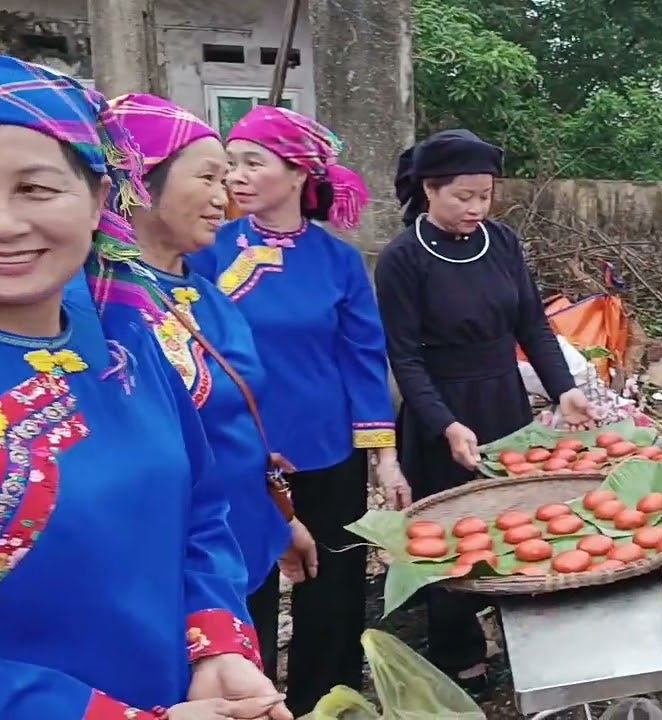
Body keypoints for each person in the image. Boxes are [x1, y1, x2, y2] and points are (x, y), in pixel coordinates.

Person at [0, 56, 288, 719]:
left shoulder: (126, 348)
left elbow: (202, 507)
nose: (7, 224)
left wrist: (215, 647)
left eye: (36, 189)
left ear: (102, 198)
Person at [186, 105, 407, 715]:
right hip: (237, 457)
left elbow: (365, 361)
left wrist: (384, 458)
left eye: (253, 162)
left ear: (298, 174)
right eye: (229, 164)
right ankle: (251, 703)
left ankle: (326, 702)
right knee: (246, 585)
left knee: (333, 589)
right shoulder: (208, 253)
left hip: (327, 450)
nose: (235, 177)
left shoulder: (339, 261)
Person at [376, 129, 593, 693]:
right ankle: (459, 653)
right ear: (430, 189)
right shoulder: (402, 259)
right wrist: (444, 423)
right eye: (463, 196)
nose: (477, 207)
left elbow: (532, 324)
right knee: (453, 538)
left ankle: (523, 632)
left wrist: (562, 387)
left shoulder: (501, 242)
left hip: (505, 402)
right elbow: (404, 357)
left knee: (518, 521)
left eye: (486, 195)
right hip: (440, 408)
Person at [109, 93, 318, 606]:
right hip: (167, 578)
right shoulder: (100, 307)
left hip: (244, 541)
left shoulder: (206, 296)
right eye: (206, 178)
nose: (223, 200)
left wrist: (279, 518)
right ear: (140, 181)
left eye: (224, 182)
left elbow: (233, 421)